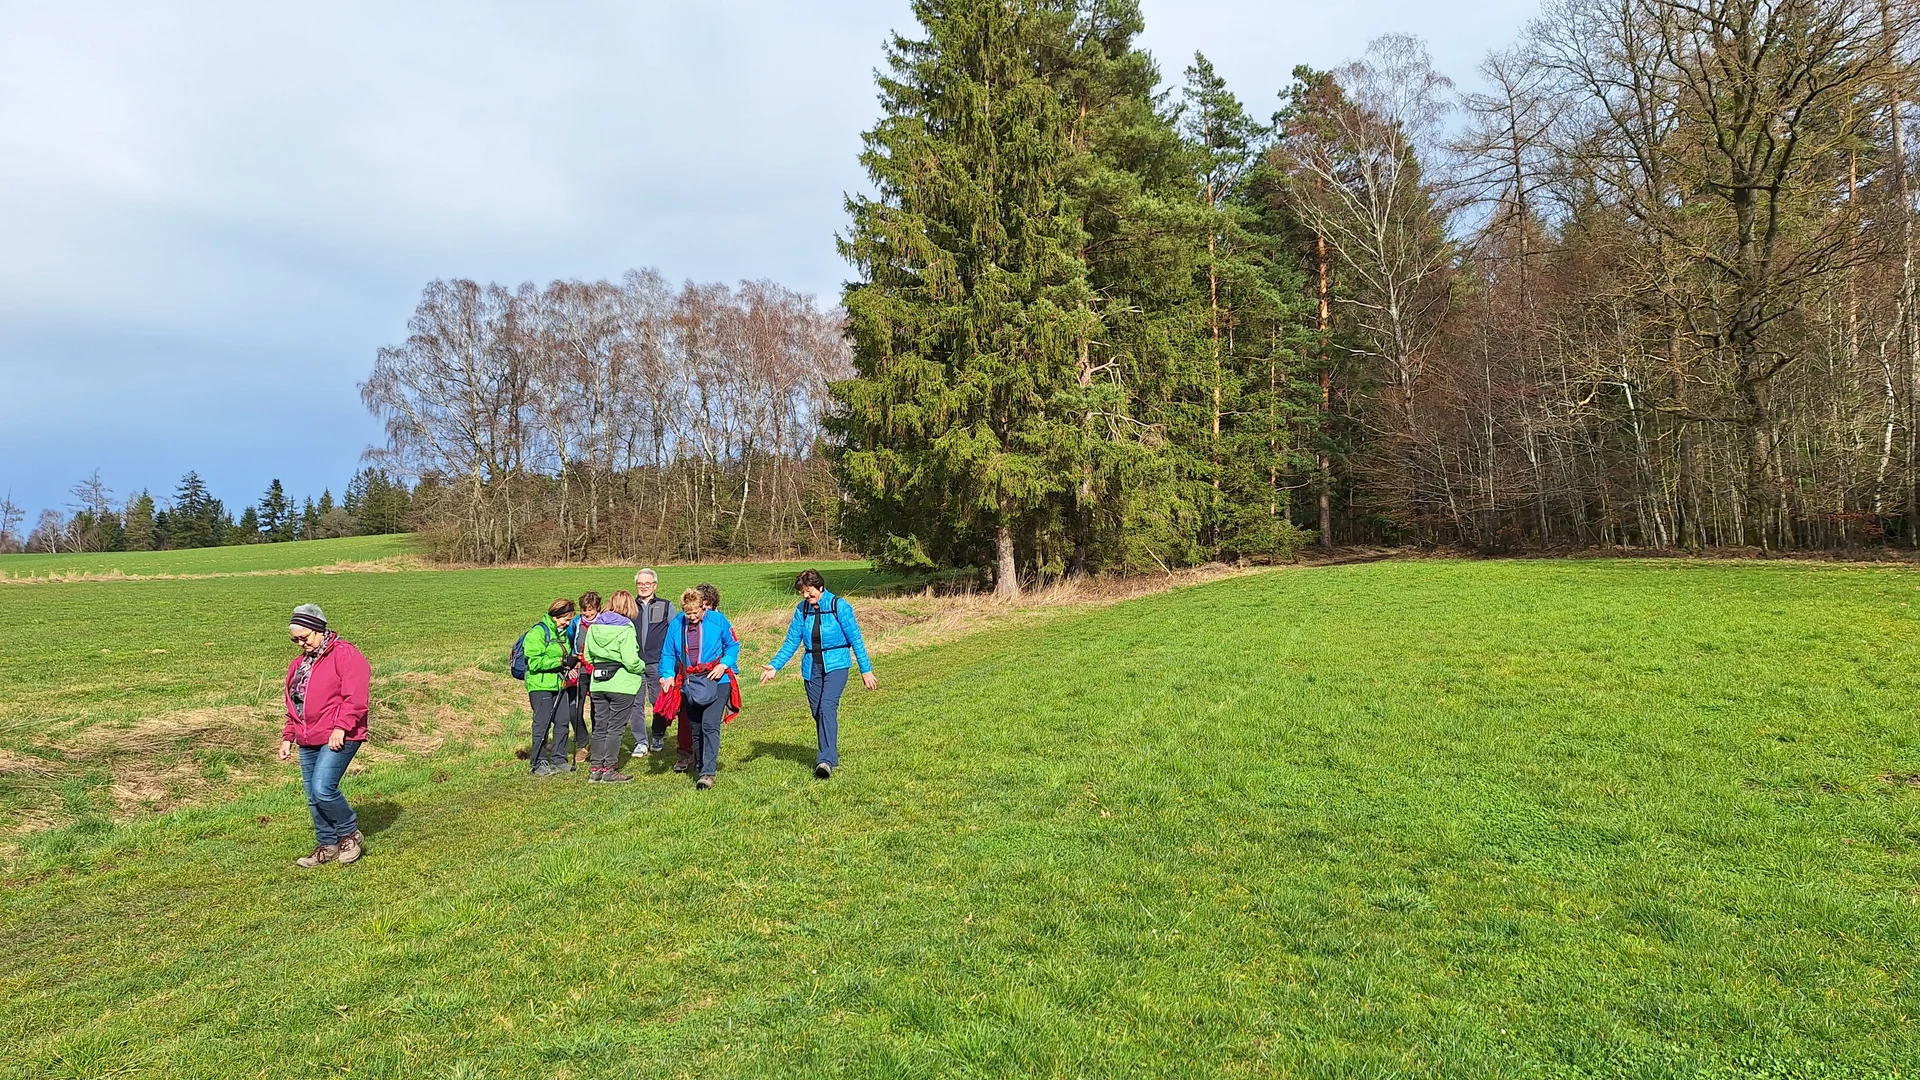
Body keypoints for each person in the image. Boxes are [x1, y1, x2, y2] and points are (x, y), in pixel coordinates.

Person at [279, 603, 372, 867]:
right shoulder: (298, 665)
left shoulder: (345, 654)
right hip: (308, 737)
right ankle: (327, 845)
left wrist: (341, 727)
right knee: (312, 796)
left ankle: (349, 834)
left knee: (323, 789)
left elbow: (356, 697)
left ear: (318, 630)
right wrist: (289, 736)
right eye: (295, 639)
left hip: (340, 734)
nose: (299, 643)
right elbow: (294, 704)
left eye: (303, 637)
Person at [762, 569, 877, 779]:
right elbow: (791, 641)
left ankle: (824, 760)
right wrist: (774, 666)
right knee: (819, 712)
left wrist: (866, 670)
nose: (806, 596)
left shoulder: (839, 606)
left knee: (826, 707)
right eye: (802, 592)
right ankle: (831, 756)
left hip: (837, 665)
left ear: (820, 587)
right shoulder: (802, 610)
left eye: (809, 591)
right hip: (811, 666)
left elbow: (856, 640)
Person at [660, 586, 739, 790]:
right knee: (695, 728)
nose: (693, 616)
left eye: (696, 612)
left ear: (703, 607)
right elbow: (668, 653)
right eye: (689, 613)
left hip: (717, 679)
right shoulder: (676, 624)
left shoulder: (718, 620)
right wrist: (667, 675)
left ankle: (707, 773)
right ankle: (701, 763)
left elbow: (733, 645)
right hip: (690, 683)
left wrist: (724, 665)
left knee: (710, 725)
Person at [582, 589, 644, 783]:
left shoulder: (594, 627)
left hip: (599, 683)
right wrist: (641, 666)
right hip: (622, 684)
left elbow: (587, 656)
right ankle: (610, 769)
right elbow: (630, 660)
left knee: (600, 726)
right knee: (615, 728)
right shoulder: (626, 629)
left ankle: (595, 769)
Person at [523, 598, 575, 776]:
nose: (567, 623)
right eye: (565, 619)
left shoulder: (563, 634)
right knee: (542, 724)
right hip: (540, 685)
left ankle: (559, 759)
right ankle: (538, 761)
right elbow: (535, 662)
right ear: (555, 616)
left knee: (562, 722)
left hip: (559, 684)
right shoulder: (537, 633)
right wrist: (560, 661)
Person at [632, 569, 674, 756]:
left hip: (658, 662)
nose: (643, 587)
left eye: (647, 584)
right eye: (640, 584)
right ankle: (640, 741)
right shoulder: (630, 606)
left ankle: (658, 735)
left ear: (655, 585)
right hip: (634, 663)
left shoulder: (666, 606)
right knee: (636, 703)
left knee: (658, 701)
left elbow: (673, 634)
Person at [565, 592, 601, 766]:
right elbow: (570, 640)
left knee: (597, 709)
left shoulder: (603, 622)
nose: (587, 614)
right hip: (579, 669)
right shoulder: (576, 623)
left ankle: (597, 742)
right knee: (574, 708)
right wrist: (574, 660)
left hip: (596, 670)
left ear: (597, 609)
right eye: (584, 610)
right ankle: (582, 742)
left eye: (590, 611)